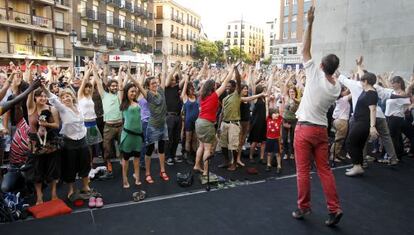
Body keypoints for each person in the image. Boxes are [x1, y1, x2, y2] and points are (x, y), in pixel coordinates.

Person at [292, 6, 343, 226]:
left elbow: (305, 49)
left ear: (321, 66)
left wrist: (310, 22)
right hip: (322, 130)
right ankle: (334, 209)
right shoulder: (336, 86)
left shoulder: (314, 74)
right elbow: (333, 75)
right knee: (325, 171)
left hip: (304, 129)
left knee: (303, 171)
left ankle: (304, 207)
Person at [41, 84, 91, 200]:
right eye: (63, 97)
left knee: (85, 164)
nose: (66, 99)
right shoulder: (63, 109)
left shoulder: (78, 106)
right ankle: (71, 189)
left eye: (68, 96)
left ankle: (85, 186)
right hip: (69, 142)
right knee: (70, 167)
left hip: (82, 140)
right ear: (61, 101)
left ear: (72, 97)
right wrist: (44, 88)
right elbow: (52, 98)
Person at [133, 55, 169, 184]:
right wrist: (130, 74)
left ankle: (162, 170)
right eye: (153, 83)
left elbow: (164, 75)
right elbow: (137, 83)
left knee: (162, 148)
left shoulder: (161, 91)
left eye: (156, 82)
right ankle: (147, 173)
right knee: (148, 148)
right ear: (148, 86)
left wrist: (165, 61)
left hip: (162, 124)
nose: (156, 84)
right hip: (150, 124)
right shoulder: (147, 94)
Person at [194, 64, 235, 176]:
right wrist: (231, 70)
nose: (217, 87)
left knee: (201, 146)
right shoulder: (214, 96)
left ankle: (197, 165)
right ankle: (206, 172)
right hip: (207, 124)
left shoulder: (202, 96)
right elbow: (226, 82)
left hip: (199, 122)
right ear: (213, 88)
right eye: (215, 86)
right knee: (208, 148)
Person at [95, 64, 124, 178]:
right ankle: (108, 163)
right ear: (108, 87)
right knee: (107, 147)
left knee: (122, 145)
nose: (115, 87)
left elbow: (121, 85)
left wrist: (120, 71)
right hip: (109, 126)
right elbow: (98, 82)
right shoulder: (104, 95)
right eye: (112, 86)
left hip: (120, 125)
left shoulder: (119, 95)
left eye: (115, 86)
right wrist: (93, 68)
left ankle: (122, 161)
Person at [119, 66, 144, 188]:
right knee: (126, 160)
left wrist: (130, 74)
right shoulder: (123, 104)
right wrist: (121, 73)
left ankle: (137, 177)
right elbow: (120, 88)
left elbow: (139, 84)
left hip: (138, 136)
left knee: (137, 159)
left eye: (135, 91)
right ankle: (124, 179)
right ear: (126, 93)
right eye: (131, 91)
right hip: (128, 136)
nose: (133, 93)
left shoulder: (138, 102)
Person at [78, 64, 103, 167]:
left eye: (89, 88)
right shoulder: (80, 95)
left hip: (93, 122)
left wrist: (94, 70)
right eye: (86, 88)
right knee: (86, 145)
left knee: (92, 144)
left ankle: (91, 163)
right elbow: (85, 80)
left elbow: (93, 82)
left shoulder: (90, 96)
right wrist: (89, 70)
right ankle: (86, 164)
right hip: (84, 123)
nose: (88, 89)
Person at [165, 61, 185, 166]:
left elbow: (182, 79)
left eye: (174, 79)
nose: (173, 81)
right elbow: (168, 78)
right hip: (169, 116)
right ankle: (167, 157)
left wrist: (178, 69)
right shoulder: (166, 88)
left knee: (176, 138)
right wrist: (175, 67)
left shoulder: (177, 87)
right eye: (172, 79)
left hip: (178, 116)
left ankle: (172, 156)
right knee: (169, 138)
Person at [181, 69, 199, 165]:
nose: (192, 90)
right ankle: (188, 156)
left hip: (196, 122)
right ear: (188, 90)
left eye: (193, 88)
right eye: (191, 89)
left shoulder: (196, 97)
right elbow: (183, 92)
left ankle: (194, 154)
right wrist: (186, 80)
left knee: (195, 139)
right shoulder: (185, 98)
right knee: (188, 138)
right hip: (188, 122)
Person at [330, 86, 351, 163]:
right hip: (342, 121)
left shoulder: (339, 99)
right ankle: (333, 155)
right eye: (344, 90)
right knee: (339, 139)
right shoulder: (344, 99)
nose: (346, 91)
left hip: (337, 121)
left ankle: (336, 154)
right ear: (341, 92)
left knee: (338, 139)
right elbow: (352, 92)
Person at [265, 108, 283, 173]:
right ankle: (268, 164)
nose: (277, 114)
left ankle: (279, 166)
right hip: (269, 139)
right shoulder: (268, 119)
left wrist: (281, 140)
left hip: (276, 139)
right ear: (271, 115)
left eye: (277, 113)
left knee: (277, 154)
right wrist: (267, 101)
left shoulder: (279, 119)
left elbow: (281, 110)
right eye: (275, 113)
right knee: (269, 153)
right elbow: (267, 110)